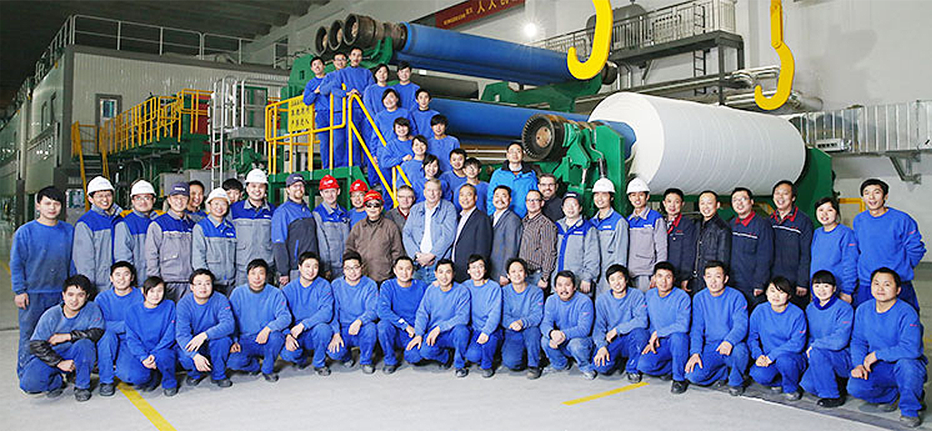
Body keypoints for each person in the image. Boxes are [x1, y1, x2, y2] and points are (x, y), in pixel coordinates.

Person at [847, 268, 926, 428]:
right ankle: (891, 395)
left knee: (908, 367)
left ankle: (910, 409)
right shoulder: (863, 310)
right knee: (855, 387)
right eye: (876, 284)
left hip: (903, 364)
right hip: (880, 366)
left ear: (898, 290)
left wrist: (877, 354)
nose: (880, 288)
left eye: (887, 284)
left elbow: (911, 349)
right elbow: (858, 341)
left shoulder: (907, 312)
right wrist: (859, 364)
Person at [11, 186, 74, 377]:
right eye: (47, 203)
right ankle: (26, 374)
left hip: (60, 294)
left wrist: (72, 292)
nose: (52, 208)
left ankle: (58, 372)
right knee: (30, 335)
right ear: (38, 205)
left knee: (58, 335)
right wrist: (19, 290)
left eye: (56, 204)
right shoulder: (25, 232)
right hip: (33, 294)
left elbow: (73, 262)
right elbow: (16, 263)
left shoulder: (68, 231)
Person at [18, 275, 103, 402]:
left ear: (87, 296)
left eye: (80, 295)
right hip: (54, 354)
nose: (74, 300)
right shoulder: (51, 315)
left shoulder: (92, 309)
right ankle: (55, 383)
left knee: (85, 344)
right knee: (29, 384)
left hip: (77, 353)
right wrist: (59, 362)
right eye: (70, 294)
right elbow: (35, 344)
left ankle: (82, 386)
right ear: (63, 295)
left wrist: (67, 336)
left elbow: (97, 332)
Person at [853, 178, 926, 308]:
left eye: (876, 192)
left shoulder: (901, 220)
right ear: (863, 198)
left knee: (903, 317)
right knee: (866, 318)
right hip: (867, 283)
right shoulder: (859, 220)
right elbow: (858, 249)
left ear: (885, 196)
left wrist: (903, 267)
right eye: (867, 193)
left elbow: (916, 249)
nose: (871, 197)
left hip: (897, 282)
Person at [685, 260, 750, 396]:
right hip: (711, 347)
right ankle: (722, 373)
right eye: (709, 276)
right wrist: (695, 353)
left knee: (741, 351)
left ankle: (736, 381)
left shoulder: (737, 297)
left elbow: (741, 325)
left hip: (731, 345)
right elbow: (697, 329)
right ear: (704, 278)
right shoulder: (699, 298)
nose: (713, 281)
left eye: (718, 276)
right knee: (693, 376)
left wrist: (729, 341)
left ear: (725, 279)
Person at [228, 259, 290, 382]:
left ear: (266, 276)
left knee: (277, 337)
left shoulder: (275, 293)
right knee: (232, 362)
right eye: (253, 273)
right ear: (247, 276)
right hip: (245, 339)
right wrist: (233, 340)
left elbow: (285, 317)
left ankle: (267, 369)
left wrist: (268, 329)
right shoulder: (238, 293)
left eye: (261, 273)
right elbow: (231, 320)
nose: (257, 277)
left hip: (266, 338)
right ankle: (254, 366)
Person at [408, 259, 471, 378]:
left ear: (453, 274)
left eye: (448, 272)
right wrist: (419, 334)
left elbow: (463, 317)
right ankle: (446, 357)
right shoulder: (431, 290)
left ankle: (459, 365)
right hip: (435, 334)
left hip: (453, 332)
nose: (444, 276)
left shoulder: (462, 291)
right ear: (435, 274)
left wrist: (439, 328)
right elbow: (422, 313)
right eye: (441, 272)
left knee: (462, 330)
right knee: (421, 352)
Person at [747, 276, 808, 400]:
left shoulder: (797, 314)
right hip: (768, 357)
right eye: (772, 291)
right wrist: (758, 355)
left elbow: (797, 343)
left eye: (781, 292)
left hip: (791, 357)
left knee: (784, 361)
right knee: (758, 374)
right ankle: (779, 382)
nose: (776, 296)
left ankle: (791, 388)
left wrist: (772, 356)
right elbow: (752, 337)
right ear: (766, 292)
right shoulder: (760, 311)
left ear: (789, 296)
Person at [799, 270, 853, 408]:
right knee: (808, 384)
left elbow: (840, 340)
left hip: (841, 356)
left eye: (826, 286)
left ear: (834, 288)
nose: (821, 290)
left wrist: (815, 346)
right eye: (817, 286)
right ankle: (837, 384)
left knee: (818, 352)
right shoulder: (810, 308)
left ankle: (833, 396)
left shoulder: (844, 308)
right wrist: (811, 349)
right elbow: (809, 336)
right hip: (817, 356)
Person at [175, 269, 235, 388]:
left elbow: (229, 324)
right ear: (192, 287)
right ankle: (195, 374)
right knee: (185, 356)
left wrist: (205, 335)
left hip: (213, 340)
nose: (203, 287)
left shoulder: (221, 299)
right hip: (194, 343)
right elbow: (182, 334)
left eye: (207, 283)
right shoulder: (183, 304)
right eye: (199, 284)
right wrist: (195, 356)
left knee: (223, 341)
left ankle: (218, 375)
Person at [638, 262, 692, 394]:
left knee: (678, 337)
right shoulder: (649, 295)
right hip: (659, 342)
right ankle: (672, 367)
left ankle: (679, 379)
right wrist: (651, 339)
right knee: (644, 365)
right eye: (660, 276)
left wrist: (659, 333)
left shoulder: (682, 297)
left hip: (677, 341)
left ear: (674, 279)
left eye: (668, 277)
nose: (663, 281)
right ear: (654, 278)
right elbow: (649, 321)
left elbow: (683, 325)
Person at [591, 264, 648, 382]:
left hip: (630, 338)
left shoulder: (636, 295)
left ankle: (632, 369)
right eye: (612, 280)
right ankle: (619, 361)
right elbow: (599, 326)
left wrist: (617, 330)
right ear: (609, 283)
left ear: (626, 279)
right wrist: (601, 346)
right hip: (612, 340)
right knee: (600, 366)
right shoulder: (602, 300)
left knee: (641, 334)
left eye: (620, 278)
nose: (617, 283)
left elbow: (642, 321)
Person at [122, 276, 178, 396]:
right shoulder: (132, 311)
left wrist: (155, 353)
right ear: (143, 291)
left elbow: (170, 334)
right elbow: (132, 339)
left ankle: (169, 382)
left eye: (159, 291)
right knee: (135, 377)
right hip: (144, 351)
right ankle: (153, 375)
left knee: (164, 357)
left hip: (163, 349)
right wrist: (143, 357)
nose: (156, 295)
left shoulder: (169, 306)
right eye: (152, 291)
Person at [280, 252, 334, 376]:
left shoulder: (324, 285)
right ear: (299, 267)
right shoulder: (288, 289)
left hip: (314, 329)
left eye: (315, 267)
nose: (311, 270)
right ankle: (301, 360)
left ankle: (319, 363)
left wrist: (304, 325)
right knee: (287, 354)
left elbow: (326, 313)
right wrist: (287, 335)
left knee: (324, 330)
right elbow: (281, 316)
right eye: (307, 266)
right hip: (295, 333)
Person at [95, 262, 143, 397]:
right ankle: (106, 380)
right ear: (111, 278)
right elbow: (99, 324)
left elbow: (143, 323)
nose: (121, 279)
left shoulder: (140, 296)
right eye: (117, 275)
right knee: (107, 336)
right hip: (110, 340)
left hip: (132, 341)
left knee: (132, 376)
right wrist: (127, 326)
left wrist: (120, 326)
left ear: (132, 277)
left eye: (126, 274)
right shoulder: (102, 298)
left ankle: (121, 365)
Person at [327, 252, 380, 374]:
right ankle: (347, 357)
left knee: (371, 329)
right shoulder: (336, 285)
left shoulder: (370, 284)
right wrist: (336, 333)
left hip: (362, 326)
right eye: (348, 268)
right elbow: (333, 312)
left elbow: (373, 310)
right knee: (334, 352)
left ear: (362, 267)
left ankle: (366, 361)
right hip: (343, 328)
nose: (352, 272)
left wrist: (359, 321)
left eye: (356, 267)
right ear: (343, 270)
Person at [541, 270, 596, 379]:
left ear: (574, 287)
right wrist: (552, 333)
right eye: (560, 285)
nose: (563, 289)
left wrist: (562, 334)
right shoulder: (551, 300)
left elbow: (584, 329)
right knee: (545, 340)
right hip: (561, 339)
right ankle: (560, 364)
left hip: (580, 340)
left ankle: (586, 367)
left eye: (567, 285)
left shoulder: (584, 301)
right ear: (555, 288)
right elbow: (545, 323)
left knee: (575, 345)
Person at [145, 182, 195, 302]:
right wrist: (156, 283)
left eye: (183, 198)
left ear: (188, 200)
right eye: (175, 197)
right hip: (167, 282)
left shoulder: (192, 225)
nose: (179, 201)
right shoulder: (158, 224)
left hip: (189, 282)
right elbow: (152, 255)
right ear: (169, 200)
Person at [378, 256, 428, 374]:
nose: (404, 273)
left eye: (408, 269)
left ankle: (408, 351)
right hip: (396, 329)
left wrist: (419, 332)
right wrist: (404, 325)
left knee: (414, 357)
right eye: (400, 269)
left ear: (413, 271)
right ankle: (390, 360)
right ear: (395, 270)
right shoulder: (388, 286)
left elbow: (427, 312)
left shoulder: (421, 286)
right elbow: (382, 311)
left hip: (414, 332)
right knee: (382, 326)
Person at [327, 46, 375, 168]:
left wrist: (361, 93)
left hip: (364, 110)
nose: (356, 58)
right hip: (349, 110)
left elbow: (371, 89)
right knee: (351, 139)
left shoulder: (367, 73)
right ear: (349, 57)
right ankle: (350, 165)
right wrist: (348, 93)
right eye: (354, 55)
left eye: (359, 55)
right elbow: (334, 89)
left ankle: (365, 165)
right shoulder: (342, 73)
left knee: (365, 138)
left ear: (361, 58)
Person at [769, 180, 814, 309]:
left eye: (785, 193)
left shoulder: (804, 222)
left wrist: (802, 282)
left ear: (793, 197)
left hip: (794, 284)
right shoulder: (768, 221)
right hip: (773, 282)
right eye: (777, 193)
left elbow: (806, 254)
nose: (780, 197)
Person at [73, 175, 122, 292]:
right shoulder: (86, 223)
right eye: (100, 196)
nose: (105, 199)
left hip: (120, 283)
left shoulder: (119, 219)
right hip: (99, 285)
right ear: (90, 199)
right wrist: (88, 289)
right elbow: (84, 262)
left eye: (108, 195)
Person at [403, 179, 457, 283]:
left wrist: (431, 255)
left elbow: (448, 235)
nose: (432, 194)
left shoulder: (449, 208)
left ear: (440, 193)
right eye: (429, 190)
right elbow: (406, 233)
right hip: (417, 265)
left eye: (435, 190)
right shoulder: (415, 209)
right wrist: (417, 255)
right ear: (424, 192)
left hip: (438, 266)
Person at [345, 190, 405, 283]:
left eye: (376, 205)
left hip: (384, 277)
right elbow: (349, 250)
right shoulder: (358, 227)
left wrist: (391, 270)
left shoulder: (390, 227)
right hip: (362, 277)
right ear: (365, 207)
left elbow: (397, 252)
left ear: (381, 208)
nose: (372, 208)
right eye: (369, 205)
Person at [271, 173, 319, 285]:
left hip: (310, 267)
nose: (299, 188)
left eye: (301, 185)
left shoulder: (306, 210)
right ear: (288, 189)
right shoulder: (282, 212)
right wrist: (283, 271)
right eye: (295, 186)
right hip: (294, 270)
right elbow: (279, 243)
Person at [729, 187, 773, 308]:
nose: (739, 203)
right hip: (733, 282)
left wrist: (759, 283)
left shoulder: (762, 225)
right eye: (735, 200)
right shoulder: (731, 224)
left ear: (751, 202)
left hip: (751, 284)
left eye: (743, 199)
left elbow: (765, 257)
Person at [501, 258, 545, 379]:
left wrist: (522, 322)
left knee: (533, 333)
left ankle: (534, 365)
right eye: (513, 272)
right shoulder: (504, 292)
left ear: (526, 273)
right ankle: (525, 356)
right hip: (512, 329)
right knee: (511, 362)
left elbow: (537, 315)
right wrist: (512, 323)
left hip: (530, 328)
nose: (517, 274)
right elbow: (503, 315)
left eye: (520, 271)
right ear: (508, 275)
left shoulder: (536, 292)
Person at [231, 169, 276, 286]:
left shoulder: (273, 211)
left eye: (261, 186)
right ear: (247, 188)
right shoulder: (235, 209)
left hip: (266, 266)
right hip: (242, 267)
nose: (257, 190)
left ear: (266, 189)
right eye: (253, 186)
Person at [811, 197, 858, 304]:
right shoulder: (817, 233)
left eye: (830, 210)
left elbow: (850, 263)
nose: (824, 214)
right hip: (819, 291)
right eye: (821, 210)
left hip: (838, 290)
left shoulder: (846, 233)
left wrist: (847, 291)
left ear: (836, 213)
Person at [463, 255, 503, 378]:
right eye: (473, 267)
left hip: (492, 329)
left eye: (480, 267)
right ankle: (486, 355)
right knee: (472, 355)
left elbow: (495, 313)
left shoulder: (494, 287)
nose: (477, 270)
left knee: (489, 341)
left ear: (485, 270)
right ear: (468, 271)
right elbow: (450, 288)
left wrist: (486, 332)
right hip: (475, 330)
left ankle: (487, 365)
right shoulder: (465, 286)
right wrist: (437, 283)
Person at [553, 192, 599, 294]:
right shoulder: (557, 226)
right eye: (567, 205)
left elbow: (592, 255)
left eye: (574, 205)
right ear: (563, 208)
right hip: (557, 281)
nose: (570, 208)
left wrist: (587, 278)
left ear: (580, 208)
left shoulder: (588, 228)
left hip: (578, 281)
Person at [192, 188, 237, 294]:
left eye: (223, 204)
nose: (219, 207)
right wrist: (205, 282)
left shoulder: (231, 228)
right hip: (211, 284)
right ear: (209, 205)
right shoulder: (201, 227)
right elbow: (198, 258)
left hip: (230, 283)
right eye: (216, 203)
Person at [626, 178, 667, 292]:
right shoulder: (628, 220)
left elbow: (661, 248)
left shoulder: (655, 218)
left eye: (641, 195)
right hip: (629, 273)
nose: (637, 198)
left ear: (647, 197)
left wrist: (658, 273)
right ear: (629, 198)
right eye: (633, 195)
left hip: (647, 273)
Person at [114, 180, 159, 282]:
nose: (143, 202)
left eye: (147, 198)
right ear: (133, 201)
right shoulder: (125, 224)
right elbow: (123, 258)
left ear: (154, 200)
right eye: (138, 198)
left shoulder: (161, 222)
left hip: (158, 281)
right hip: (138, 281)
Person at [591, 178, 628, 296]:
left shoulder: (619, 222)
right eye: (596, 194)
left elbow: (621, 253)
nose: (599, 198)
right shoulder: (591, 222)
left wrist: (617, 278)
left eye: (604, 194)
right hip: (594, 274)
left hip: (609, 275)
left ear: (611, 197)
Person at [313, 175, 351, 279]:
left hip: (346, 265)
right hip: (331, 267)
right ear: (321, 193)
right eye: (326, 192)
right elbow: (322, 244)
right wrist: (326, 268)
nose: (330, 195)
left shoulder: (344, 213)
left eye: (333, 191)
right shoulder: (318, 214)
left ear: (338, 191)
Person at [452, 184, 492, 283]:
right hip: (457, 270)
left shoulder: (482, 218)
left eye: (469, 195)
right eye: (462, 195)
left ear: (475, 198)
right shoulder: (459, 217)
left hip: (470, 273)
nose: (465, 198)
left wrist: (476, 272)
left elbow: (483, 250)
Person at [692, 190, 731, 294]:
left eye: (709, 203)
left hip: (711, 280)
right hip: (696, 279)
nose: (706, 207)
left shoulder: (722, 228)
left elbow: (723, 258)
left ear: (717, 205)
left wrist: (716, 280)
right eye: (702, 203)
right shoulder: (697, 224)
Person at [316, 51, 350, 169]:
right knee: (338, 141)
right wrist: (335, 82)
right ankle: (339, 166)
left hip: (352, 111)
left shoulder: (350, 74)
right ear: (334, 62)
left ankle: (351, 164)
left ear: (346, 61)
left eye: (343, 59)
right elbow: (323, 90)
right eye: (338, 60)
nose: (340, 62)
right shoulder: (330, 76)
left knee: (352, 140)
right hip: (337, 112)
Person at [519, 190, 558, 291]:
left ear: (542, 203)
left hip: (536, 274)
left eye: (536, 200)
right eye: (529, 200)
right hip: (522, 272)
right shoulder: (523, 222)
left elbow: (549, 252)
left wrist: (544, 277)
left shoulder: (546, 225)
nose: (532, 203)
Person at [487, 142, 537, 218]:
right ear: (507, 155)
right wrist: (492, 217)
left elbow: (535, 197)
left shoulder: (530, 175)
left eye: (518, 151)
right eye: (512, 151)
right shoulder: (498, 174)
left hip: (524, 218)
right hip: (501, 218)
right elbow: (490, 197)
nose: (515, 154)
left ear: (523, 154)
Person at [663, 188, 697, 292]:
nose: (672, 205)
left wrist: (685, 277)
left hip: (678, 275)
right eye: (669, 201)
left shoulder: (687, 225)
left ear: (682, 204)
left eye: (676, 202)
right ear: (664, 203)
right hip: (662, 275)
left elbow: (689, 252)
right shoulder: (660, 223)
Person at [489, 186, 522, 286]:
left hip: (500, 272)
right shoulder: (490, 218)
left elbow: (512, 248)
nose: (500, 199)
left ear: (510, 199)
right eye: (497, 196)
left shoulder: (512, 219)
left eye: (504, 196)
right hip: (490, 269)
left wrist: (505, 272)